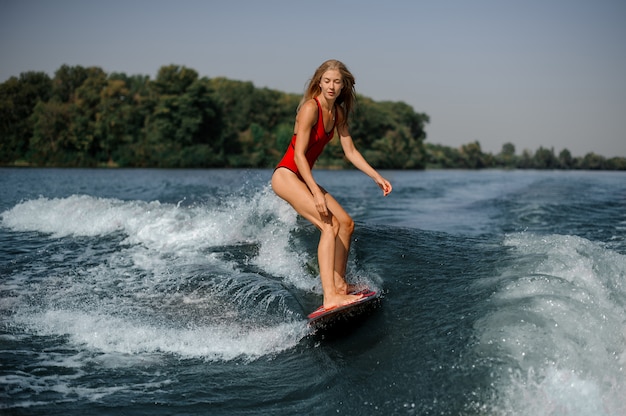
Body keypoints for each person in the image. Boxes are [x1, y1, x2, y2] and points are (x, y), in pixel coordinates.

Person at [271, 59, 392, 310]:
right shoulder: (309, 108)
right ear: (319, 82)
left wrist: (376, 176)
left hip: (302, 178)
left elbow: (350, 151)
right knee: (329, 225)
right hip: (286, 176)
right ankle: (330, 297)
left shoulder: (338, 113)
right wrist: (315, 191)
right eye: (327, 81)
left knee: (346, 224)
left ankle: (339, 285)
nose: (331, 86)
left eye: (337, 82)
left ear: (343, 85)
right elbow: (298, 156)